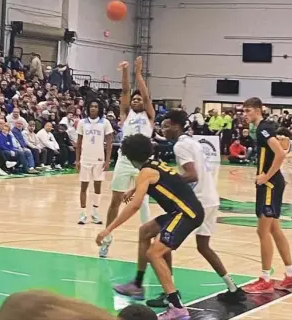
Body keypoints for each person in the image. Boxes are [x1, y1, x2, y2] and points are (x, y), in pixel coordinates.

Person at [142, 110, 245, 308]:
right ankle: (233, 288)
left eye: (166, 126)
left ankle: (169, 292)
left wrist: (168, 180)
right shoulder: (192, 141)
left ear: (175, 126)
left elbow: (192, 175)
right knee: (203, 247)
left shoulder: (181, 146)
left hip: (196, 203)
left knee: (160, 244)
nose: (163, 130)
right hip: (211, 199)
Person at [96, 134, 204, 320]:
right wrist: (136, 189)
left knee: (154, 253)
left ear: (129, 158)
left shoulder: (145, 172)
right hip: (182, 211)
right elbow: (167, 182)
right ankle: (137, 285)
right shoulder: (155, 164)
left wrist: (109, 229)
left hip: (186, 214)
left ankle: (177, 308)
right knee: (145, 231)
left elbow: (135, 206)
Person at [242, 97, 292, 294]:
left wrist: (266, 176)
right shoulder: (261, 128)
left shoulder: (263, 128)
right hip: (269, 184)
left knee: (263, 231)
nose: (245, 114)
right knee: (275, 230)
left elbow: (280, 153)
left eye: (249, 110)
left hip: (269, 184)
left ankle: (265, 279)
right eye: (244, 111)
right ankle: (291, 275)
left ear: (259, 110)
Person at [99, 57, 154, 258]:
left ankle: (149, 242)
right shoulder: (126, 114)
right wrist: (125, 71)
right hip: (124, 159)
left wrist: (138, 73)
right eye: (134, 99)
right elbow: (124, 92)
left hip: (143, 162)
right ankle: (107, 239)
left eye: (139, 99)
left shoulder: (148, 114)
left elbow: (146, 96)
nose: (136, 100)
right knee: (115, 201)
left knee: (143, 203)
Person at [76, 100, 113, 225]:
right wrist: (77, 160)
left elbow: (109, 143)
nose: (93, 108)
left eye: (96, 106)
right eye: (91, 106)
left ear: (99, 109)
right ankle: (82, 214)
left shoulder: (105, 122)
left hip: (99, 160)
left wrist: (107, 160)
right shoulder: (82, 122)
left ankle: (95, 213)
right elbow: (79, 142)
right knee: (83, 187)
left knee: (97, 187)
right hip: (85, 159)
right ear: (87, 108)